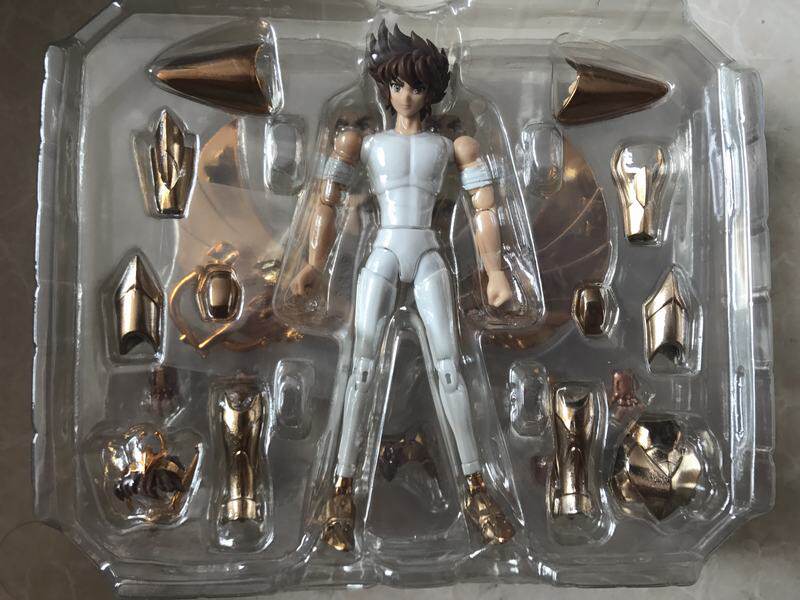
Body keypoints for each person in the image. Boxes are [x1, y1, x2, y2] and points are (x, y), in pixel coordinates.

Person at [291, 20, 516, 551]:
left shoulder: (455, 145)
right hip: (384, 250)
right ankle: (341, 489)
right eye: (397, 84)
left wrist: (495, 271)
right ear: (384, 86)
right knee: (360, 368)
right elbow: (326, 200)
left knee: (450, 369)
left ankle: (476, 486)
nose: (406, 95)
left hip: (429, 252)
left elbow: (484, 207)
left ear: (431, 90)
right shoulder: (363, 142)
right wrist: (314, 263)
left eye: (416, 86)